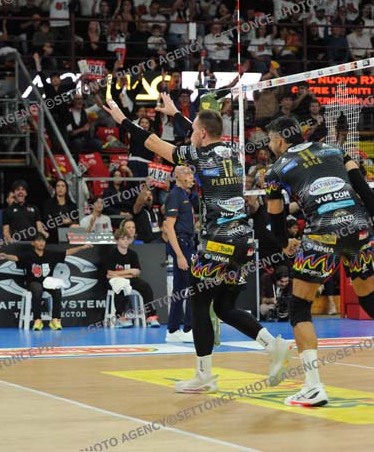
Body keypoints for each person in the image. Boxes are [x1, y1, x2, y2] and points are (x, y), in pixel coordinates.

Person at [104, 94, 292, 394]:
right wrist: (176, 114)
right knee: (225, 307)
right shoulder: (232, 152)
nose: (190, 134)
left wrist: (123, 120)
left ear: (201, 134)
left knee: (199, 304)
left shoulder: (198, 155)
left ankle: (204, 375)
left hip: (217, 243)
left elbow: (152, 143)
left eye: (193, 132)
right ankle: (273, 345)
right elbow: (204, 129)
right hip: (243, 242)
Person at [263, 116, 374, 407]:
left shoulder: (275, 171)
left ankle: (313, 387)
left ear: (279, 140)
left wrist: (284, 243)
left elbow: (276, 221)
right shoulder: (335, 150)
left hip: (323, 233)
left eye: (269, 140)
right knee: (372, 301)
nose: (269, 145)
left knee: (299, 306)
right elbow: (365, 192)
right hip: (358, 228)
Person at [0, 233, 63, 331]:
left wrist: (82, 247)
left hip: (47, 283)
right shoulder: (28, 255)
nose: (41, 243)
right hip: (33, 282)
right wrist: (6, 256)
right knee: (38, 288)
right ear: (33, 243)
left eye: (43, 240)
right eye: (38, 240)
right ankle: (37, 320)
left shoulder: (50, 254)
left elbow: (67, 252)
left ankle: (55, 320)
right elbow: (16, 258)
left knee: (57, 290)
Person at [164, 165, 197, 343]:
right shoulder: (175, 195)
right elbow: (169, 227)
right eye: (187, 173)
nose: (192, 177)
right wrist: (179, 255)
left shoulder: (184, 195)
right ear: (177, 176)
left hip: (187, 243)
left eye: (192, 174)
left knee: (180, 288)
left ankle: (173, 330)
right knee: (192, 286)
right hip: (182, 245)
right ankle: (188, 328)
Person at [104, 228, 161, 328]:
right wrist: (129, 271)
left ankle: (151, 317)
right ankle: (120, 317)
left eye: (127, 239)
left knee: (146, 287)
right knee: (120, 286)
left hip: (130, 279)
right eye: (123, 239)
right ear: (117, 241)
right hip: (115, 281)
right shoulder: (112, 253)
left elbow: (137, 272)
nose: (126, 241)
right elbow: (109, 273)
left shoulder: (132, 254)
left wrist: (121, 274)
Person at [42, 178, 77, 243]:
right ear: (55, 189)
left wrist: (70, 222)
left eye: (63, 186)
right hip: (52, 235)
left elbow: (77, 222)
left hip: (68, 235)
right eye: (58, 186)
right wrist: (61, 221)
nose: (60, 188)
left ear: (66, 189)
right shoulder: (48, 204)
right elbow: (46, 221)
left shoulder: (72, 205)